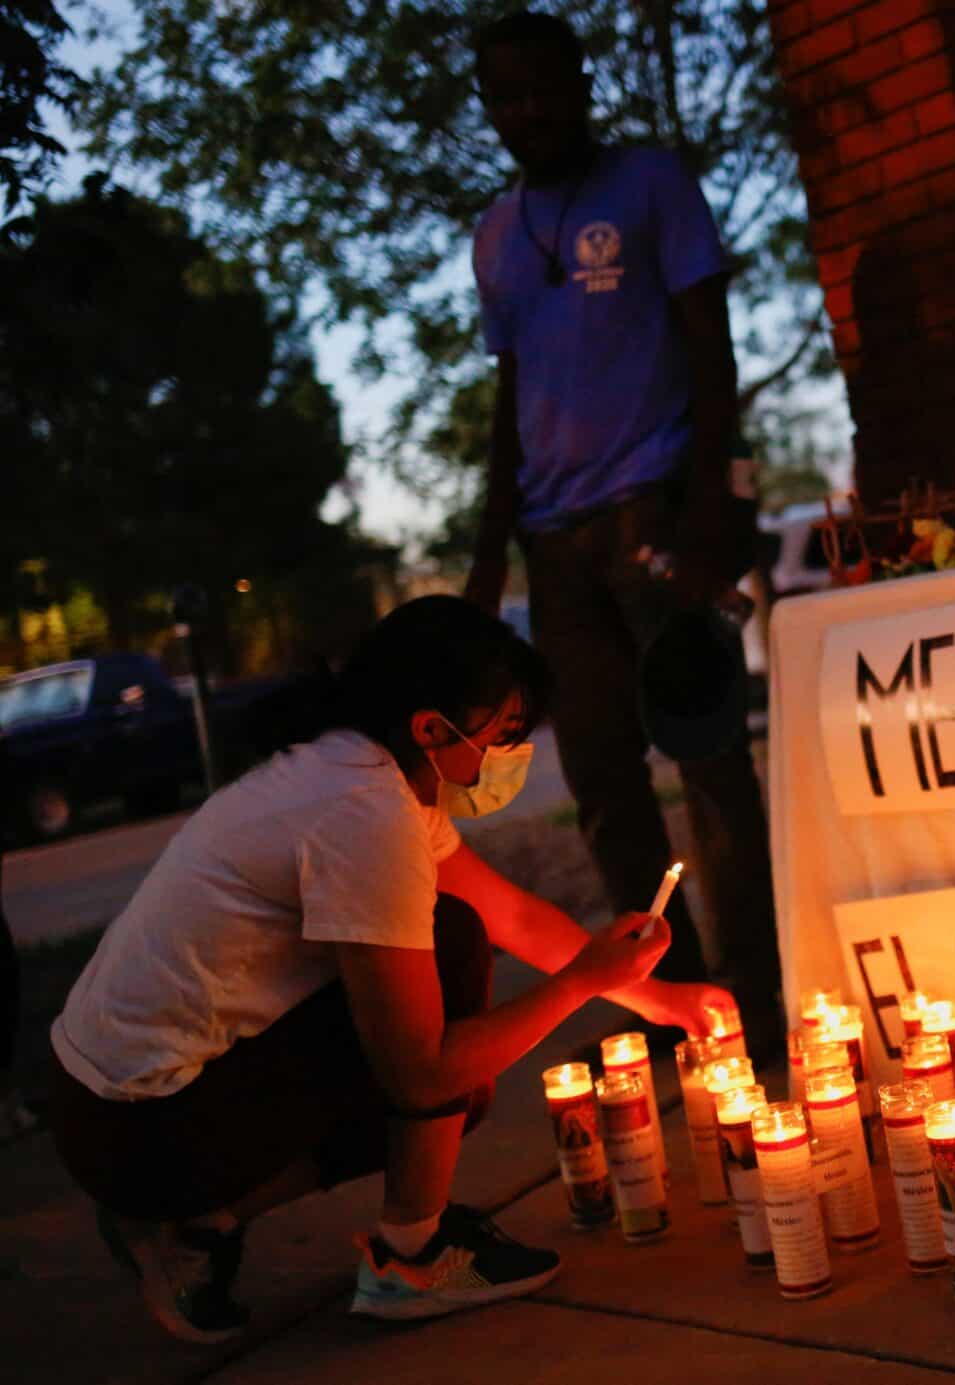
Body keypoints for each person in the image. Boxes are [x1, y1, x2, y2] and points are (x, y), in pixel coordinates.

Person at [45, 597, 731, 1342]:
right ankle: (412, 1258)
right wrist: (581, 985)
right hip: (141, 1130)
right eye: (503, 735)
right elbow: (423, 1076)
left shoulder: (360, 766)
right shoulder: (364, 812)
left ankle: (196, 1227)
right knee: (452, 974)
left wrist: (657, 997)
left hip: (105, 1105)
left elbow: (517, 915)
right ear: (432, 728)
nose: (511, 756)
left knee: (459, 1004)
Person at [463, 10, 780, 1051]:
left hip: (655, 509)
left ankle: (761, 992)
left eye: (544, 88)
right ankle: (674, 999)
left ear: (581, 84)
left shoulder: (650, 183)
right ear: (488, 109)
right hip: (554, 546)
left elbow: (710, 348)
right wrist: (487, 552)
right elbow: (513, 394)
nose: (529, 111)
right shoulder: (497, 235)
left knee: (709, 757)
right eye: (506, 96)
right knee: (602, 784)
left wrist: (714, 501)